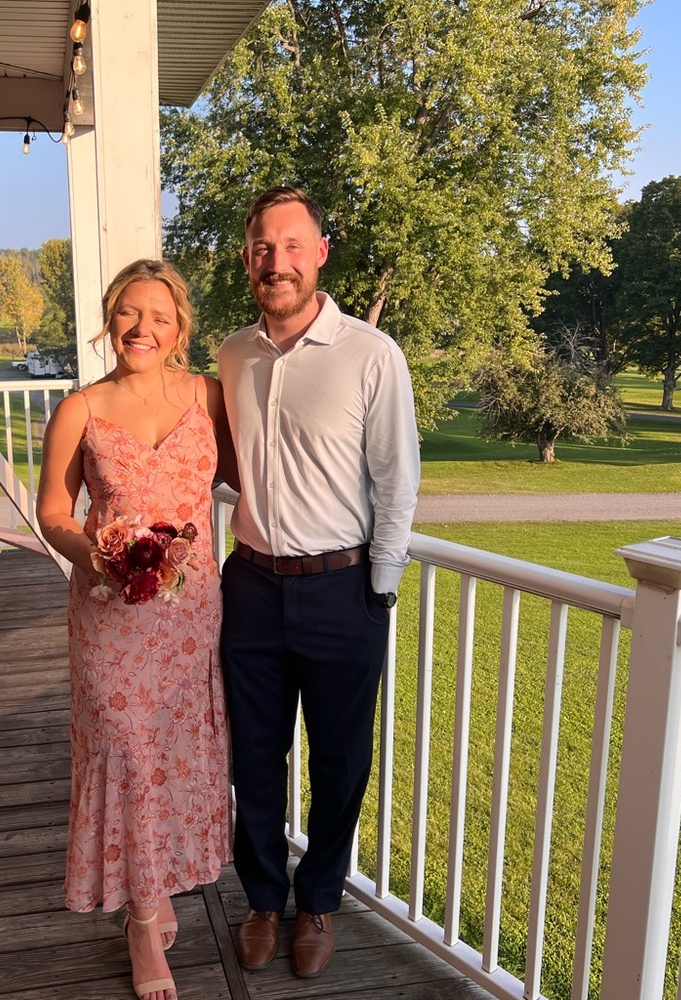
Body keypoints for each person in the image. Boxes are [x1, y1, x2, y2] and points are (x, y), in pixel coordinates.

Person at [218, 187, 420, 979]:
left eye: (293, 245)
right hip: (252, 591)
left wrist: (379, 590)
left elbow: (397, 482)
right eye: (264, 247)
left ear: (321, 252)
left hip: (344, 589)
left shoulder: (373, 354)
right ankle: (265, 899)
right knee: (255, 758)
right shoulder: (233, 355)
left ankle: (320, 903)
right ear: (248, 260)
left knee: (340, 762)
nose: (278, 261)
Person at [37, 258, 235, 1000]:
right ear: (109, 317)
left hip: (190, 616)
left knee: (174, 752)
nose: (140, 328)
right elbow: (54, 511)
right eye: (128, 312)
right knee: (123, 745)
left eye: (157, 315)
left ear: (180, 326)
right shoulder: (81, 409)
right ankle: (144, 920)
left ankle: (153, 897)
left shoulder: (209, 396)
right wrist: (96, 554)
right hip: (110, 613)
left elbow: (256, 474)